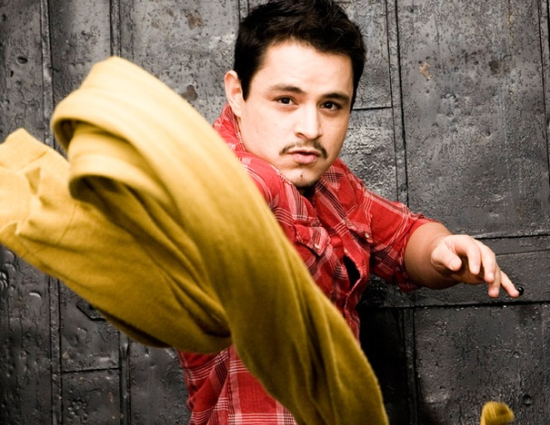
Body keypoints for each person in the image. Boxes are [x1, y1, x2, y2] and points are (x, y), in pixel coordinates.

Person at [177, 0, 520, 423]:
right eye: (286, 99)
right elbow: (234, 199)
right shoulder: (223, 179)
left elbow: (400, 235)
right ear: (237, 93)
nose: (310, 129)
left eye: (331, 105)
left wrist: (441, 250)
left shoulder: (329, 179)